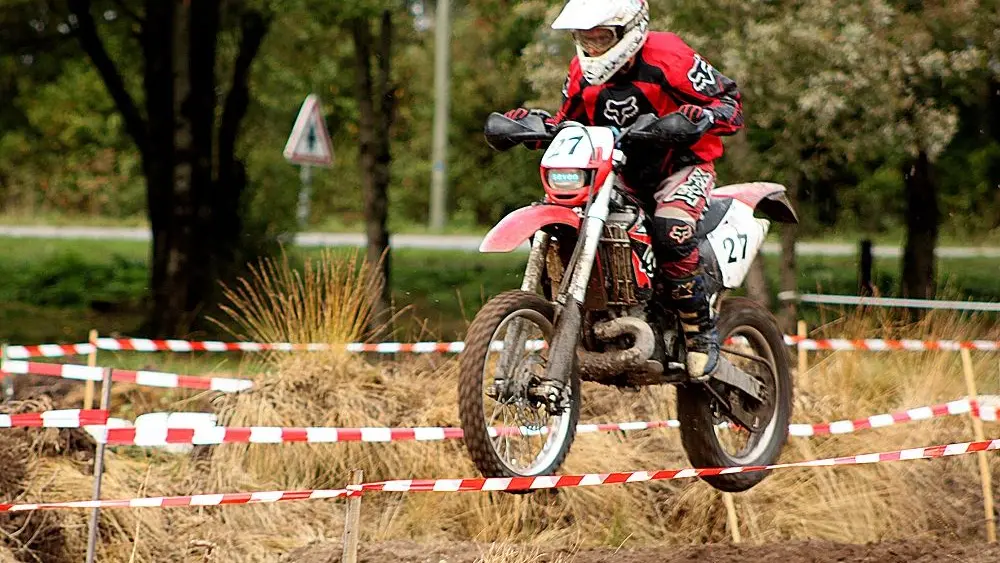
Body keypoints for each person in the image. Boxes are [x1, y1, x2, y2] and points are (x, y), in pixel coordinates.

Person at [502, 0, 744, 379]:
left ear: (629, 29)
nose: (593, 46)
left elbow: (731, 103)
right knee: (570, 221)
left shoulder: (670, 56)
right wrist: (536, 127)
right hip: (619, 172)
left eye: (601, 36)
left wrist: (704, 116)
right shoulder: (581, 70)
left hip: (681, 167)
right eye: (586, 37)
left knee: (671, 227)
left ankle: (700, 333)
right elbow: (571, 122)